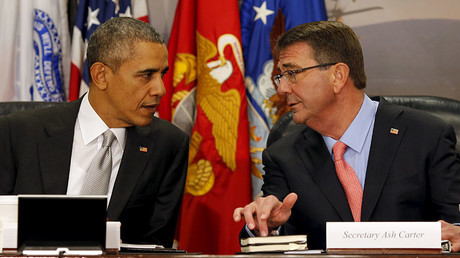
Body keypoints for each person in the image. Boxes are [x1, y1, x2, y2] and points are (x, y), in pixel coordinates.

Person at [233, 21, 460, 251]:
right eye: (280, 76)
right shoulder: (283, 155)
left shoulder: (425, 136)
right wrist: (268, 226)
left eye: (292, 73)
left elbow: (455, 227)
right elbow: (270, 243)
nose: (282, 89)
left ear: (338, 76)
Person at [0, 17, 189, 247]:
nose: (160, 89)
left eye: (163, 74)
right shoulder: (19, 133)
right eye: (146, 75)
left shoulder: (169, 145)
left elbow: (156, 245)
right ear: (101, 76)